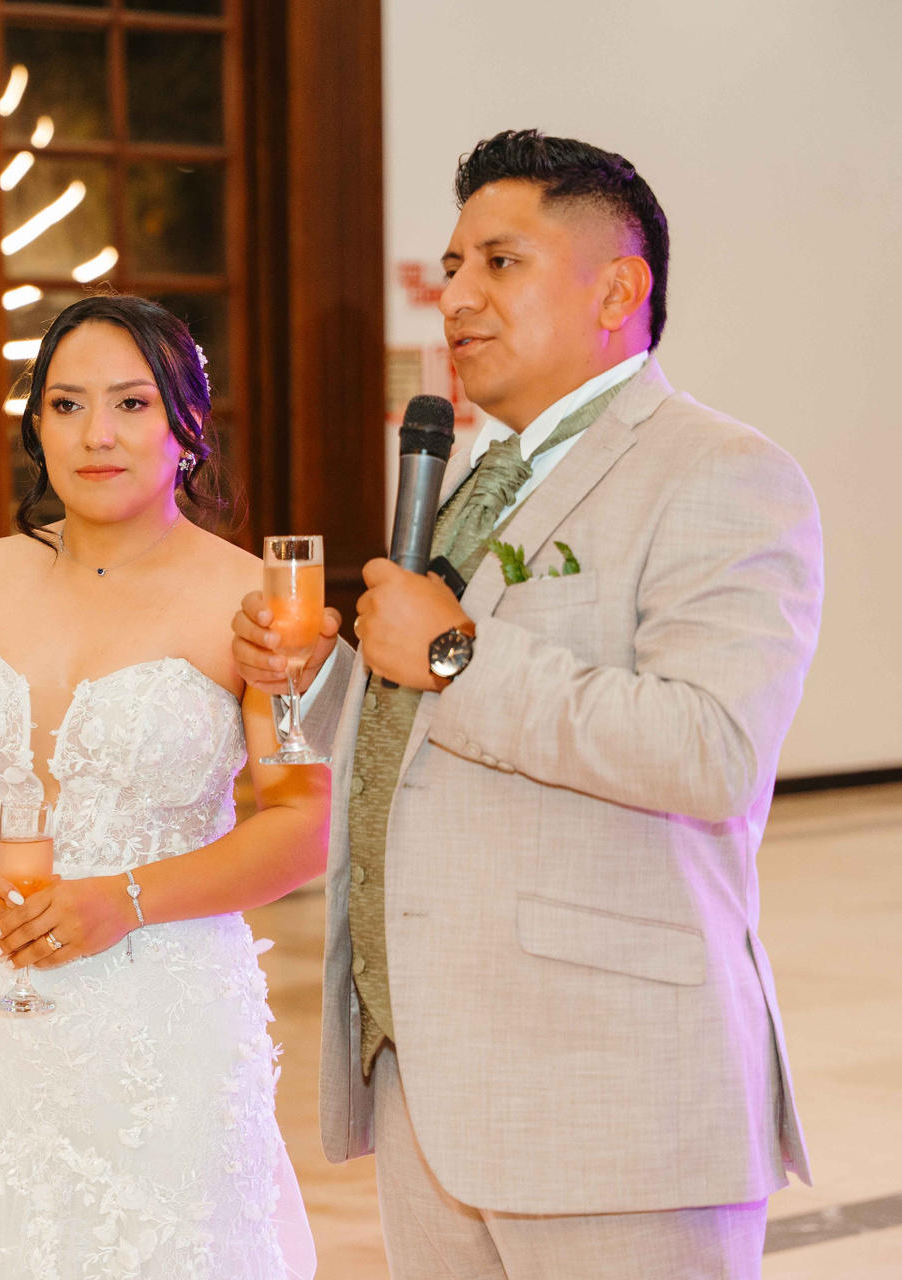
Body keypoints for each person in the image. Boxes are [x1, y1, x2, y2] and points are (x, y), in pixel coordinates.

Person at [235, 129, 823, 1280]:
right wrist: (321, 674)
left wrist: (455, 649)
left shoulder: (718, 471)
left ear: (617, 291)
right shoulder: (471, 477)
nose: (457, 295)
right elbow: (425, 728)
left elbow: (711, 748)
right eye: (454, 265)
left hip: (612, 1096)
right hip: (432, 1083)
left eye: (499, 263)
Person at [0, 294, 326, 1277]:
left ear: (186, 426)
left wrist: (124, 898)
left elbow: (303, 824)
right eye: (67, 404)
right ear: (36, 426)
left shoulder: (259, 604)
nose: (97, 434)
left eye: (131, 403)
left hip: (162, 1014)